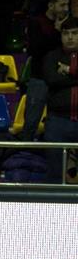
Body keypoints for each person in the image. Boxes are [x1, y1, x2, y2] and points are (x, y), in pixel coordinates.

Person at [21, 0, 72, 141]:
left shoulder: (68, 24)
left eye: (67, 4)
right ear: (51, 5)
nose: (66, 8)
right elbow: (35, 50)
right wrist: (57, 32)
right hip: (39, 79)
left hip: (60, 80)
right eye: (62, 5)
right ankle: (24, 152)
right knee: (31, 122)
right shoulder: (36, 22)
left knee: (55, 124)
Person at [40, 17, 78, 181]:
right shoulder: (51, 57)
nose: (70, 37)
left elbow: (59, 80)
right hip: (58, 121)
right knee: (55, 173)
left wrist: (68, 71)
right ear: (61, 36)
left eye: (74, 33)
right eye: (66, 33)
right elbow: (52, 80)